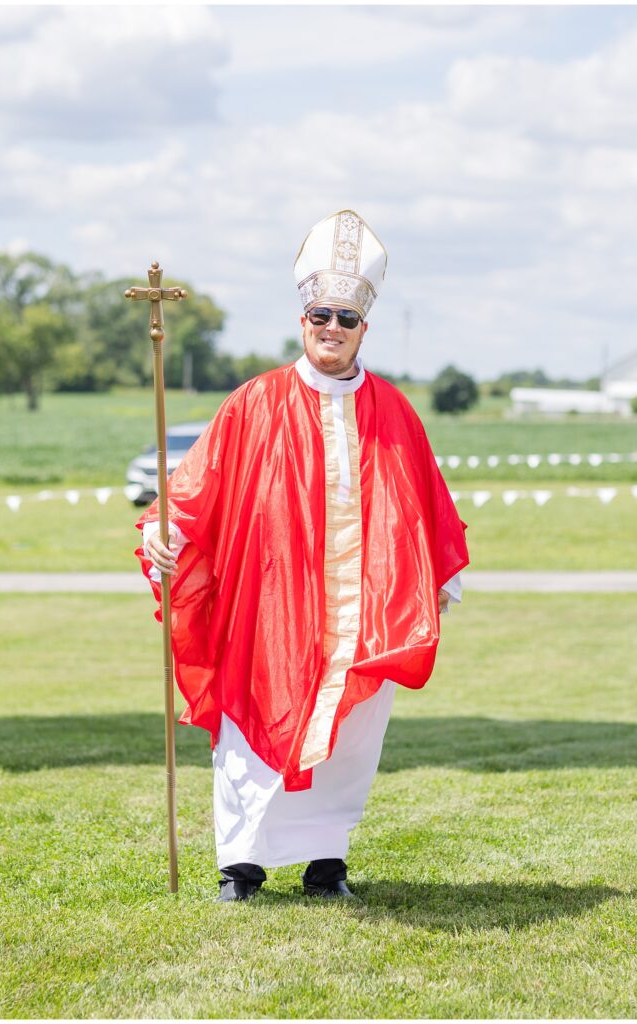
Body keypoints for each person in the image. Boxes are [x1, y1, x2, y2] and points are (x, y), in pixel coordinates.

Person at [137, 209, 468, 902]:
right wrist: (165, 531)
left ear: (362, 330)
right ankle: (241, 866)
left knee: (348, 736)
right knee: (249, 733)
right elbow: (192, 490)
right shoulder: (253, 403)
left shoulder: (395, 410)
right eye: (322, 314)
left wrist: (438, 577)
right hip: (267, 606)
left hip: (363, 612)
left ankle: (326, 864)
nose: (332, 328)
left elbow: (426, 503)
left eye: (346, 318)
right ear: (302, 320)